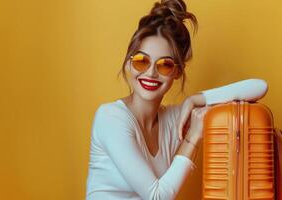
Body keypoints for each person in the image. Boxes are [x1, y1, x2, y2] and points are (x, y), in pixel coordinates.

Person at [85, 0, 269, 199]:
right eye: (141, 61)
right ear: (129, 64)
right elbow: (157, 196)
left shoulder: (175, 119)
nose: (151, 73)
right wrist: (192, 138)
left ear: (177, 72)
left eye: (164, 65)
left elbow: (259, 87)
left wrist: (195, 100)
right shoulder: (111, 117)